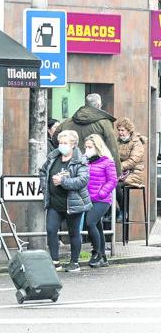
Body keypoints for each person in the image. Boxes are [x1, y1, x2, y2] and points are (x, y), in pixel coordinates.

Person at [40, 130, 92, 273]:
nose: (61, 145)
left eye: (65, 143)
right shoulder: (53, 158)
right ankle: (55, 261)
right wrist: (46, 189)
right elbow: (43, 172)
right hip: (55, 203)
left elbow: (82, 180)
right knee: (51, 230)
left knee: (74, 233)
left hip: (73, 203)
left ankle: (74, 262)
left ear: (73, 145)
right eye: (60, 142)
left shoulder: (80, 161)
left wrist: (63, 181)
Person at [53, 93, 121, 176]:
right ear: (99, 105)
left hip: (71, 167)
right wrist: (117, 172)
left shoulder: (67, 122)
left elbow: (55, 140)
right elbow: (112, 147)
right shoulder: (104, 123)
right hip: (96, 169)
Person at [83, 134, 117, 267]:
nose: (87, 149)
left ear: (97, 147)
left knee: (90, 222)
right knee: (97, 226)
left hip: (102, 200)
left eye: (90, 147)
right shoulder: (85, 161)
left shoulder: (107, 161)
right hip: (88, 199)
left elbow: (112, 180)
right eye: (85, 147)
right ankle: (103, 257)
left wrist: (101, 193)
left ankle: (96, 253)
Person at [115, 117, 146, 222]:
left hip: (134, 173)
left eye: (122, 130)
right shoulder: (117, 142)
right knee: (105, 183)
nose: (120, 132)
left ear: (129, 130)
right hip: (121, 172)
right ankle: (112, 211)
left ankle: (123, 211)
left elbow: (133, 161)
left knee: (116, 185)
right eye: (119, 130)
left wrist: (117, 167)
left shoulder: (137, 143)